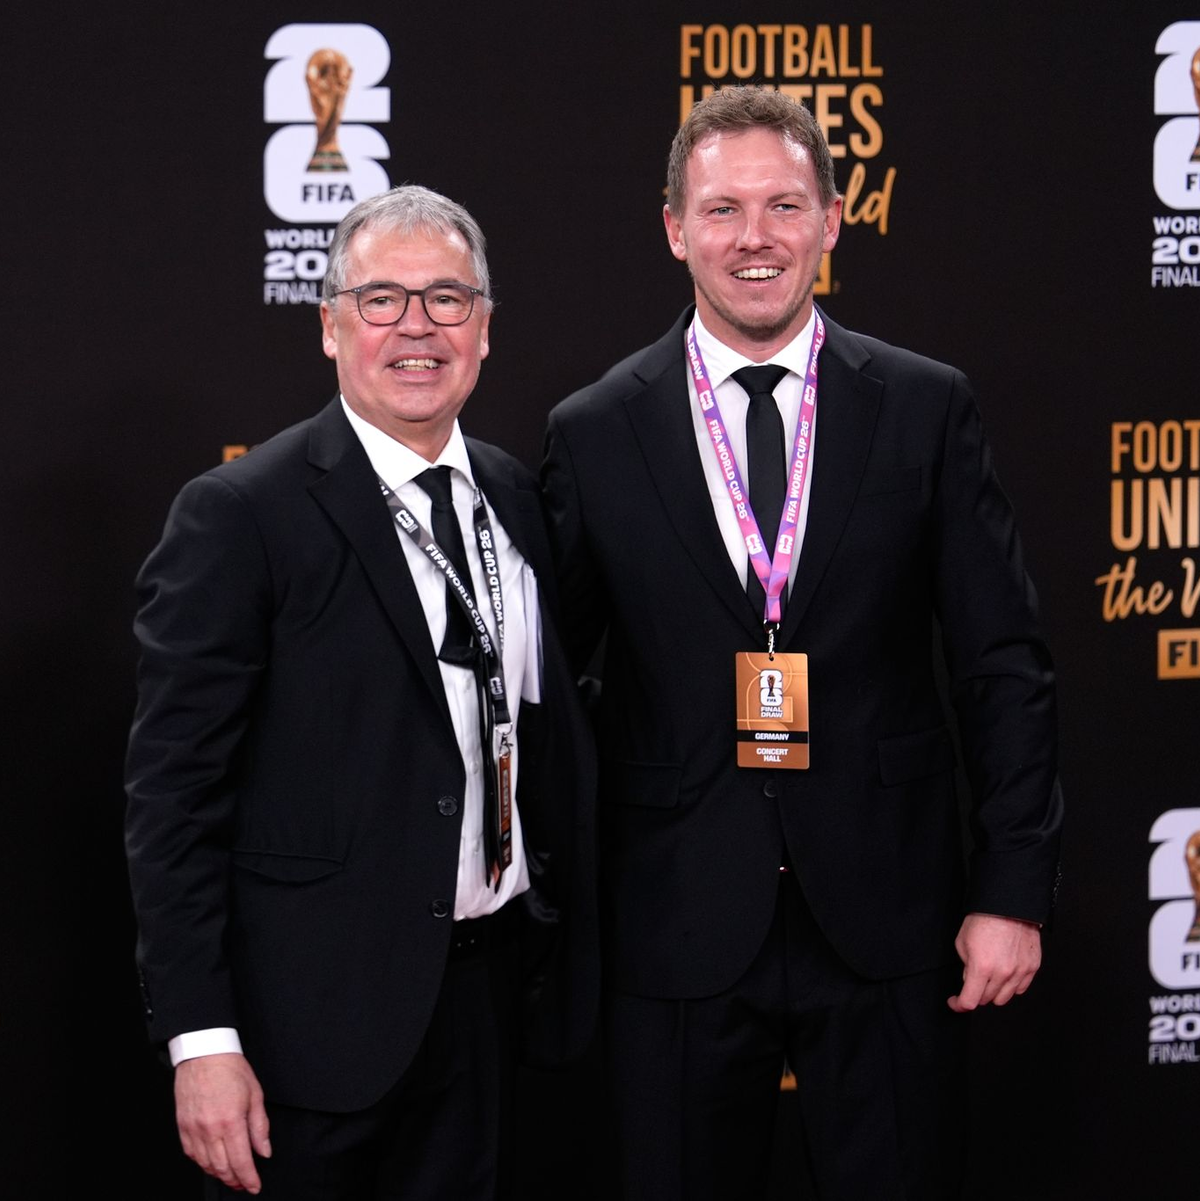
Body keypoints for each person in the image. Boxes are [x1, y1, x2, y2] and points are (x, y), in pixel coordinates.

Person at [541, 88, 1062, 1200]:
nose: (755, 238)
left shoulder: (926, 408)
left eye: (785, 205)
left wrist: (1012, 888)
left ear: (834, 216)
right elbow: (551, 687)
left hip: (888, 915)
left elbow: (1001, 663)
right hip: (672, 922)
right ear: (676, 229)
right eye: (723, 210)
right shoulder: (592, 430)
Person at [126, 185, 596, 1200]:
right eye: (381, 300)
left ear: (486, 329)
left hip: (490, 1005)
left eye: (447, 300)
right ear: (331, 325)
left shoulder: (517, 497)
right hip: (308, 1038)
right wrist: (201, 1038)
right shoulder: (238, 515)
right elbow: (173, 804)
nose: (416, 329)